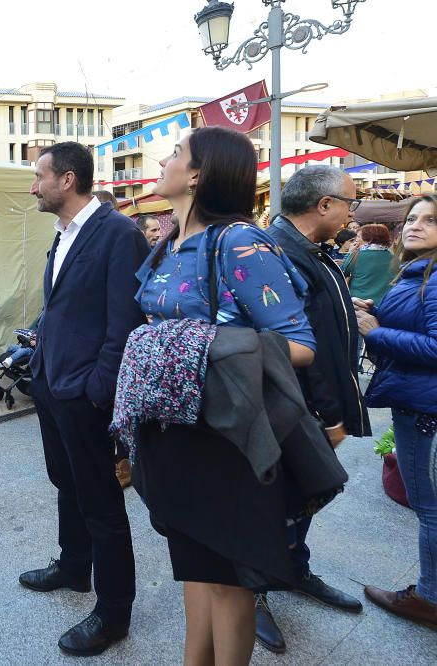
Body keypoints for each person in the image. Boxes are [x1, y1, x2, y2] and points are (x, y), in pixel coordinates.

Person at [133, 127, 317, 664]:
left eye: (176, 153)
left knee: (227, 581)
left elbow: (301, 344)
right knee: (194, 566)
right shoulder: (169, 243)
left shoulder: (238, 241)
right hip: (175, 427)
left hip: (226, 434)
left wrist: (200, 344)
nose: (165, 160)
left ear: (197, 174)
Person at [19, 142, 148, 656]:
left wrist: (98, 390)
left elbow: (125, 323)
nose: (34, 185)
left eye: (39, 176)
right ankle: (74, 567)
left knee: (101, 502)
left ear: (67, 180)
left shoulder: (119, 234)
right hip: (52, 385)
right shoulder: (63, 234)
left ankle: (114, 613)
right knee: (64, 481)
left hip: (85, 394)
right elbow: (62, 309)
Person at [261, 165, 370, 653]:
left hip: (313, 405)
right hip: (294, 408)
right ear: (324, 205)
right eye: (350, 201)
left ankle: (293, 570)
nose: (354, 211)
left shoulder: (308, 250)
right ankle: (254, 592)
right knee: (277, 498)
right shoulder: (278, 251)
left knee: (305, 492)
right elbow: (296, 345)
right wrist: (329, 415)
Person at [357, 194, 437, 628]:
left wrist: (379, 331)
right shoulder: (419, 270)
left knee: (429, 507)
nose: (415, 225)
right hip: (420, 400)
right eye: (411, 218)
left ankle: (428, 598)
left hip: (424, 409)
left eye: (429, 220)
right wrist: (378, 312)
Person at [341, 223, 397, 306]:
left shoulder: (355, 255)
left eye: (359, 237)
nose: (356, 240)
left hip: (358, 303)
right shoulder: (394, 258)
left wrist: (350, 252)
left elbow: (341, 271)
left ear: (369, 239)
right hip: (385, 303)